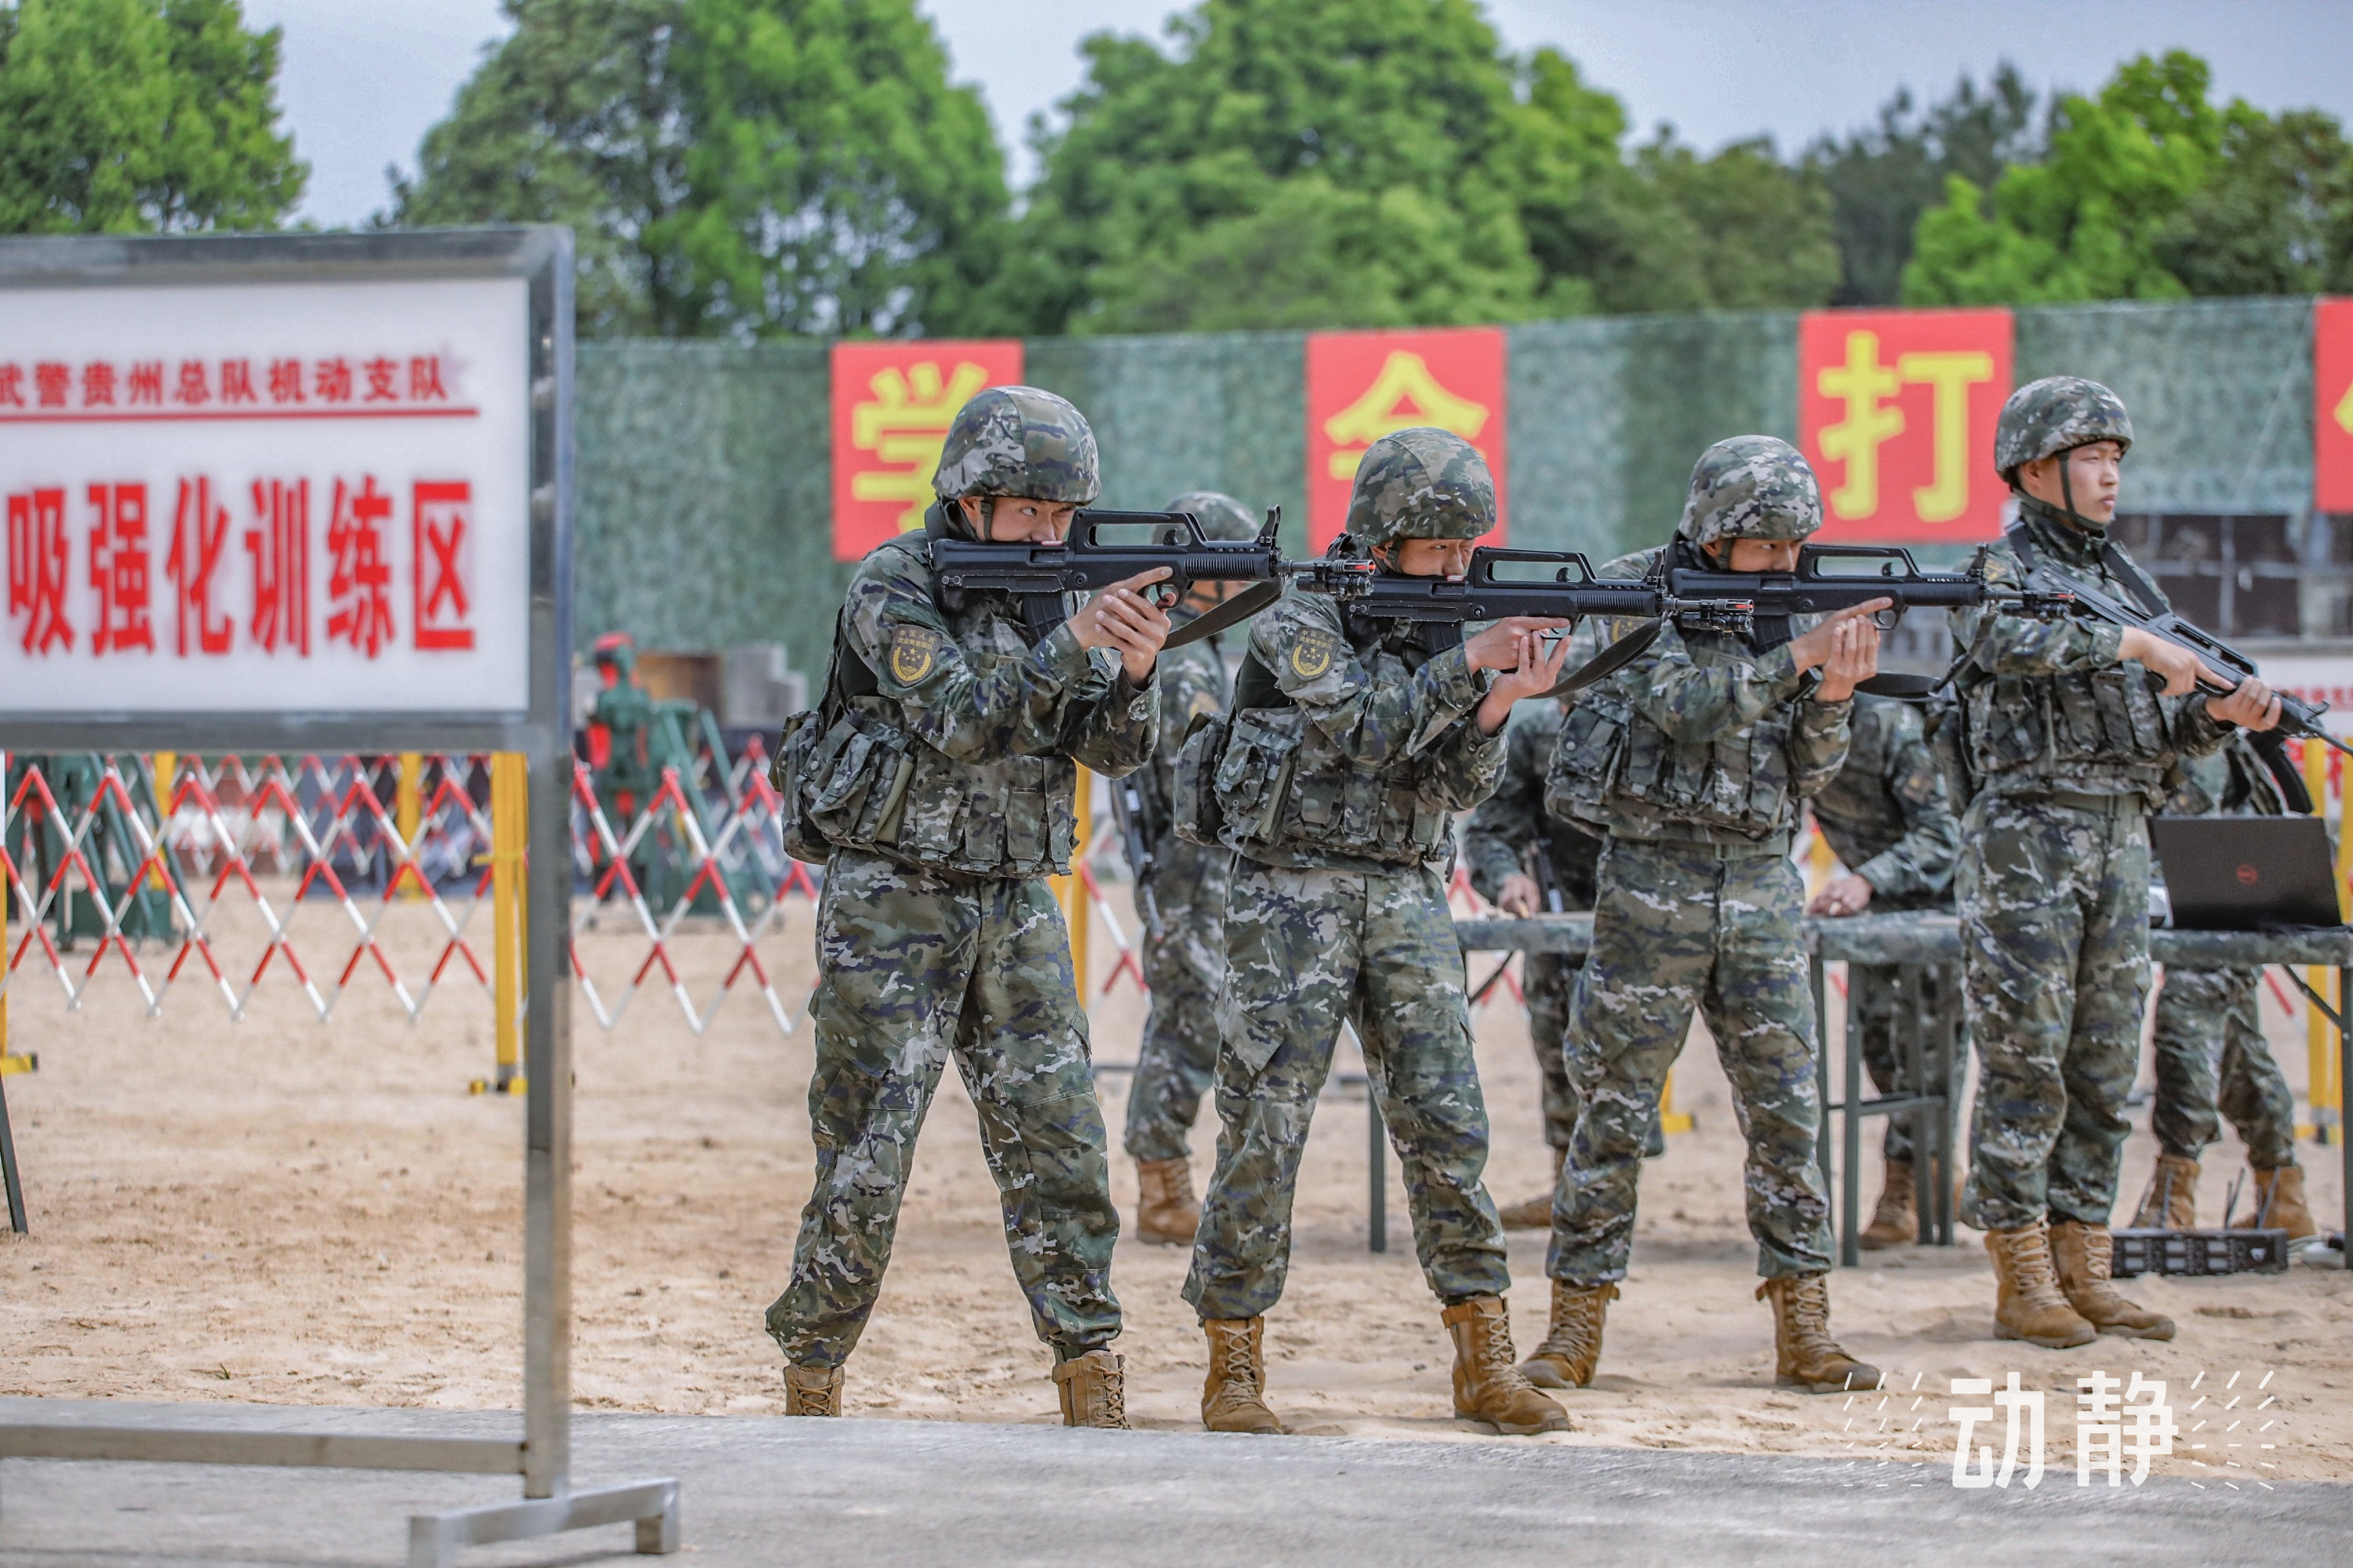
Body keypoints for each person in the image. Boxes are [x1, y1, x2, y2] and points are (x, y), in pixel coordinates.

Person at [765, 386, 1171, 1427]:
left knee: (1062, 1143)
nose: (1050, 531)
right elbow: (961, 719)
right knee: (865, 1150)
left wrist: (1133, 672)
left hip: (1014, 897)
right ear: (972, 497)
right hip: (892, 901)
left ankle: (1090, 1369)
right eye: (1030, 511)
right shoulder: (896, 586)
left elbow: (1111, 751)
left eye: (1062, 512)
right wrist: (1077, 635)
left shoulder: (1057, 596)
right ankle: (812, 1375)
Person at [1182, 427, 1573, 1437]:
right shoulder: (1298, 618)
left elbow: (1449, 784)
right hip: (1290, 894)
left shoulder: (1444, 629)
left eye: (1465, 548)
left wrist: (1498, 706)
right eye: (1439, 547)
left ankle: (1484, 1356)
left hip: (1402, 888)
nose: (1458, 566)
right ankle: (1233, 1367)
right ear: (1383, 534)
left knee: (1448, 1124)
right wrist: (1471, 663)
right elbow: (1363, 728)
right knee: (1265, 1127)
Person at [1529, 435, 1886, 1398]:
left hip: (1765, 878)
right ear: (1713, 532)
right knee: (1612, 1107)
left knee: (1785, 1114)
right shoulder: (1631, 593)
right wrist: (1801, 655)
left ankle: (1805, 1325)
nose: (1783, 564)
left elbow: (1812, 771)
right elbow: (1685, 705)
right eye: (1763, 546)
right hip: (1653, 878)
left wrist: (1836, 691)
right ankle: (1573, 1324)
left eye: (1793, 547)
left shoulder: (1791, 609)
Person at [1944, 376, 2281, 1349]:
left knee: (2101, 1059)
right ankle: (2020, 1271)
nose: (2110, 476)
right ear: (2035, 469)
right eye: (2092, 457)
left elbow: (2161, 733)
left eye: (2118, 458)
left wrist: (2219, 714)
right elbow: (2001, 640)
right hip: (2026, 840)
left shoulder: (2131, 583)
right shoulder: (1996, 568)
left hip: (2120, 835)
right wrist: (2132, 642)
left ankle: (2084, 1262)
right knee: (2026, 1057)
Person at [1122, 490, 1257, 1246]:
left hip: (1201, 869)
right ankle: (1160, 1183)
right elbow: (1200, 772)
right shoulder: (1178, 658)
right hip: (1189, 870)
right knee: (1188, 1016)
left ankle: (1165, 1174)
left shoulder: (1193, 648)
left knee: (1196, 1014)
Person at [2132, 733, 2318, 1239]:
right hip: (2210, 904)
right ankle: (2283, 1193)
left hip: (2228, 900)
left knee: (2183, 1026)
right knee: (2238, 1048)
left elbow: (2188, 845)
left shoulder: (2194, 741)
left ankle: (2175, 1191)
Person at [1803, 693, 1965, 1250]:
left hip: (1945, 900)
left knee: (1928, 1043)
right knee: (1875, 1040)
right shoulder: (1786, 719)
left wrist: (1867, 878)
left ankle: (1911, 1184)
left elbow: (1944, 835)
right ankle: (1928, 1167)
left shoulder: (1890, 726)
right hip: (1874, 907)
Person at [1462, 697, 1609, 1228]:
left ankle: (1608, 1194)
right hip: (1560, 912)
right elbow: (1490, 830)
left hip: (1650, 911)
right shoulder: (1537, 738)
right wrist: (1506, 878)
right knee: (1559, 1049)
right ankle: (1570, 1191)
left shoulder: (1654, 718)